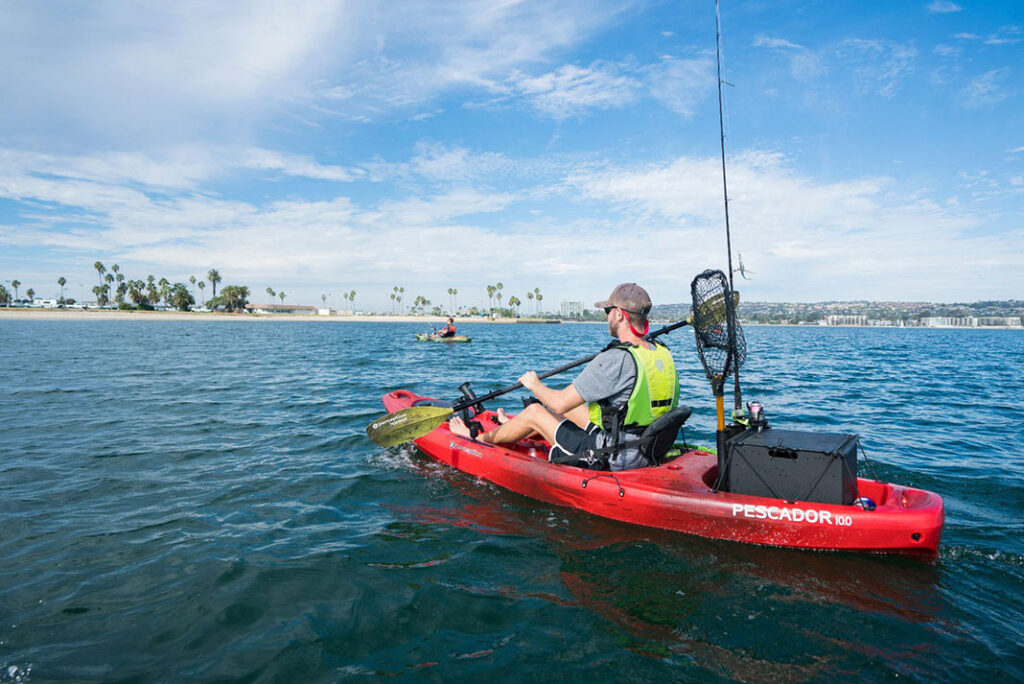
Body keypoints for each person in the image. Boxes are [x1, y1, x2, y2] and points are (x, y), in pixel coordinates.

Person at [450, 283, 679, 471]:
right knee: (568, 408)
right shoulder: (661, 352)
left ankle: (478, 440)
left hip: (614, 456)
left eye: (607, 311)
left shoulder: (616, 358)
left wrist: (534, 384)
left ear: (619, 315)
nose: (607, 316)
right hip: (646, 446)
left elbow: (558, 402)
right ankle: (512, 426)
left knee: (536, 410)